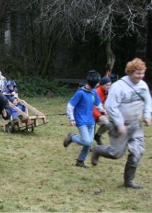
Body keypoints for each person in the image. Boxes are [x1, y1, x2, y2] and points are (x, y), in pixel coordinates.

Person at [91, 58, 151, 189]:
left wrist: (147, 115)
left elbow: (148, 101)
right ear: (130, 72)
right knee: (116, 153)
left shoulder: (143, 86)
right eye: (138, 73)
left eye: (142, 73)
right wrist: (119, 123)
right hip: (119, 126)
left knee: (137, 152)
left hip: (135, 125)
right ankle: (98, 150)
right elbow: (111, 106)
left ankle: (128, 181)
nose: (141, 76)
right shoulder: (119, 86)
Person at [63, 70, 105, 168]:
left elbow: (98, 103)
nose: (99, 84)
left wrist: (102, 111)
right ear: (94, 83)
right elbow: (70, 105)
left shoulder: (94, 92)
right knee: (87, 141)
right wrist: (71, 118)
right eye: (98, 83)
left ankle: (80, 161)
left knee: (89, 144)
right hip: (81, 121)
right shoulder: (80, 93)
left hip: (91, 121)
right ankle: (72, 137)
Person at [92, 77, 112, 145]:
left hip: (98, 113)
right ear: (102, 85)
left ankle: (97, 136)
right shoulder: (96, 92)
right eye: (107, 85)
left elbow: (102, 103)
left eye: (110, 85)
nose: (109, 86)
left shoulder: (106, 92)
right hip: (90, 114)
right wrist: (99, 116)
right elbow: (92, 106)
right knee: (88, 138)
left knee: (109, 123)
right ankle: (72, 137)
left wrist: (104, 110)